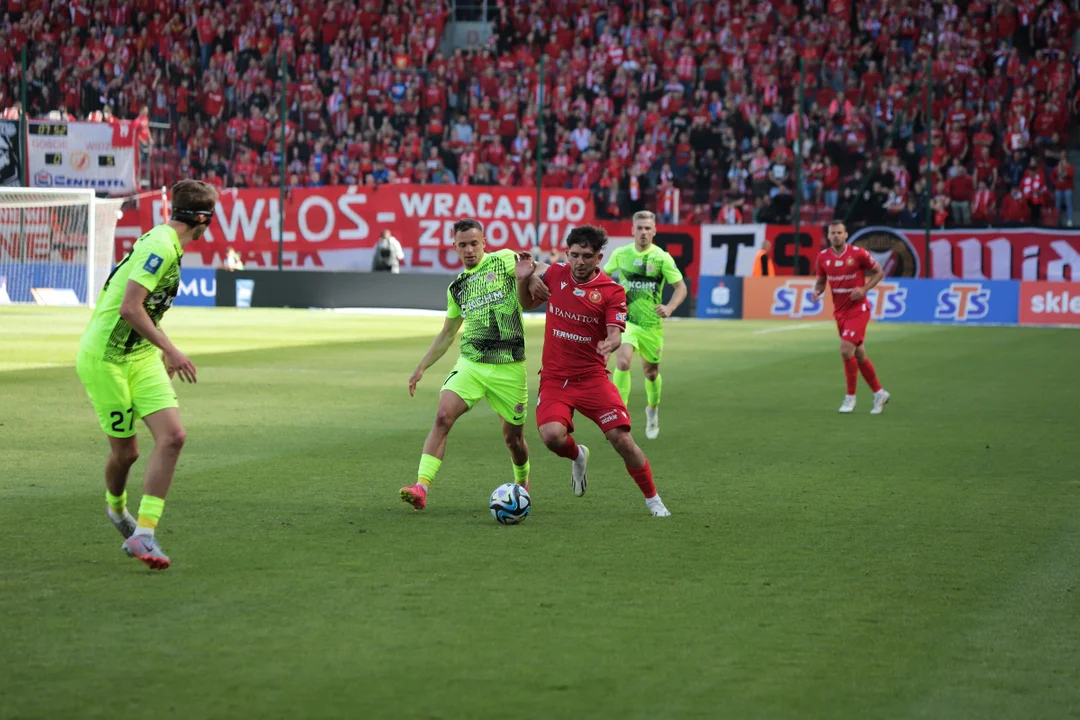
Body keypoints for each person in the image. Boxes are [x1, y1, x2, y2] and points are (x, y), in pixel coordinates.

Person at [75, 179, 217, 570]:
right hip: (105, 359)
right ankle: (119, 512)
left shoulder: (166, 243)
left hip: (138, 356)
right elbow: (129, 308)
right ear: (203, 219)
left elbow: (145, 313)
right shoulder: (160, 247)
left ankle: (145, 534)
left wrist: (159, 349)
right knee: (127, 453)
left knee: (173, 437)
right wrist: (171, 349)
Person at [515, 225, 671, 517]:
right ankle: (578, 455)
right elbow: (526, 301)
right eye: (574, 255)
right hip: (555, 379)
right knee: (551, 437)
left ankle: (653, 499)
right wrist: (526, 279)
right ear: (567, 253)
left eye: (587, 256)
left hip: (592, 380)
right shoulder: (556, 273)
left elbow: (615, 332)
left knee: (622, 440)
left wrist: (611, 342)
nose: (580, 262)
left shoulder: (612, 291)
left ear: (599, 257)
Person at [400, 219, 548, 510]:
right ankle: (421, 486)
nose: (469, 250)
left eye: (474, 243)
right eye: (462, 245)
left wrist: (531, 278)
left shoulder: (504, 259)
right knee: (443, 416)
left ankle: (522, 481)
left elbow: (540, 267)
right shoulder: (457, 288)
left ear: (484, 243)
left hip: (509, 367)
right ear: (454, 248)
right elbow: (447, 333)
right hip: (472, 364)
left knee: (513, 440)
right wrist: (421, 367)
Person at [601, 211, 687, 439]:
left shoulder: (662, 258)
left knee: (650, 372)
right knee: (623, 360)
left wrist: (669, 307)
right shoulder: (621, 254)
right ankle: (620, 414)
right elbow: (602, 277)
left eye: (648, 228)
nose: (643, 232)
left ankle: (652, 409)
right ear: (632, 230)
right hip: (626, 321)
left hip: (651, 325)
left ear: (654, 231)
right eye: (639, 228)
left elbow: (681, 288)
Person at [812, 220, 890, 414]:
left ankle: (850, 398)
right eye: (833, 233)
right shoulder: (822, 258)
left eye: (839, 232)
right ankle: (879, 393)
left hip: (859, 309)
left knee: (846, 350)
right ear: (828, 236)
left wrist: (864, 289)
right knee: (859, 354)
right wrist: (817, 291)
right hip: (840, 312)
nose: (836, 236)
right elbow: (821, 281)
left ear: (846, 235)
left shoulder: (858, 254)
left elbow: (879, 273)